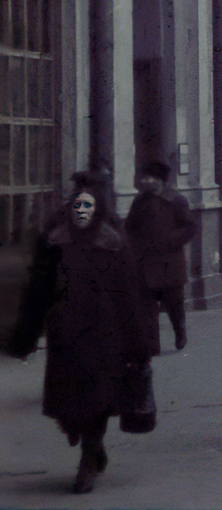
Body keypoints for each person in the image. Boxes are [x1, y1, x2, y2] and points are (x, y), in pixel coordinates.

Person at [8, 170, 157, 494]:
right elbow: (38, 290)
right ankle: (89, 446)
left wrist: (139, 344)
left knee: (96, 403)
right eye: (77, 207)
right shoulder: (55, 242)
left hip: (105, 339)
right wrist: (25, 335)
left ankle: (89, 458)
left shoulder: (113, 244)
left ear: (98, 210)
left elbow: (130, 298)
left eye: (87, 208)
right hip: (65, 338)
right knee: (67, 411)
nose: (81, 213)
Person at [124, 158, 197, 353]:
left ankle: (179, 330)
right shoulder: (140, 200)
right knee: (147, 309)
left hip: (169, 265)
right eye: (145, 178)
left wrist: (171, 240)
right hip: (145, 264)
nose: (147, 181)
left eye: (152, 178)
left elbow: (190, 227)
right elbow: (129, 226)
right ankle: (151, 345)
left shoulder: (177, 200)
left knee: (174, 306)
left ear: (162, 180)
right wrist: (132, 249)